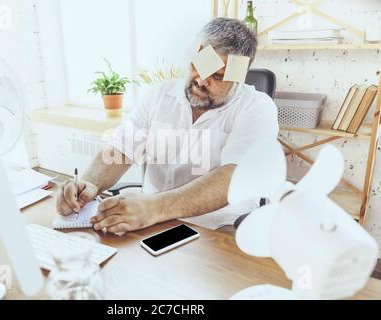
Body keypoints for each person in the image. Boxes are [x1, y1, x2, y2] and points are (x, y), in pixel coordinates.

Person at [57, 18, 279, 233]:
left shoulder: (257, 108)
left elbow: (235, 176)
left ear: (238, 77)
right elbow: (121, 148)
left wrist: (154, 207)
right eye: (197, 66)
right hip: (150, 222)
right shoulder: (159, 96)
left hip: (218, 229)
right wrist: (89, 183)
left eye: (218, 76)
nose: (201, 81)